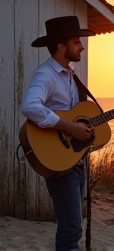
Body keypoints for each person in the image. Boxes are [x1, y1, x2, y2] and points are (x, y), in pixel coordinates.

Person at [21, 16, 95, 251]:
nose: (81, 46)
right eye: (77, 42)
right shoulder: (46, 75)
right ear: (61, 46)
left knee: (73, 226)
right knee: (71, 229)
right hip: (58, 163)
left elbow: (76, 114)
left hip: (73, 160)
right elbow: (30, 106)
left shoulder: (70, 76)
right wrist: (68, 126)